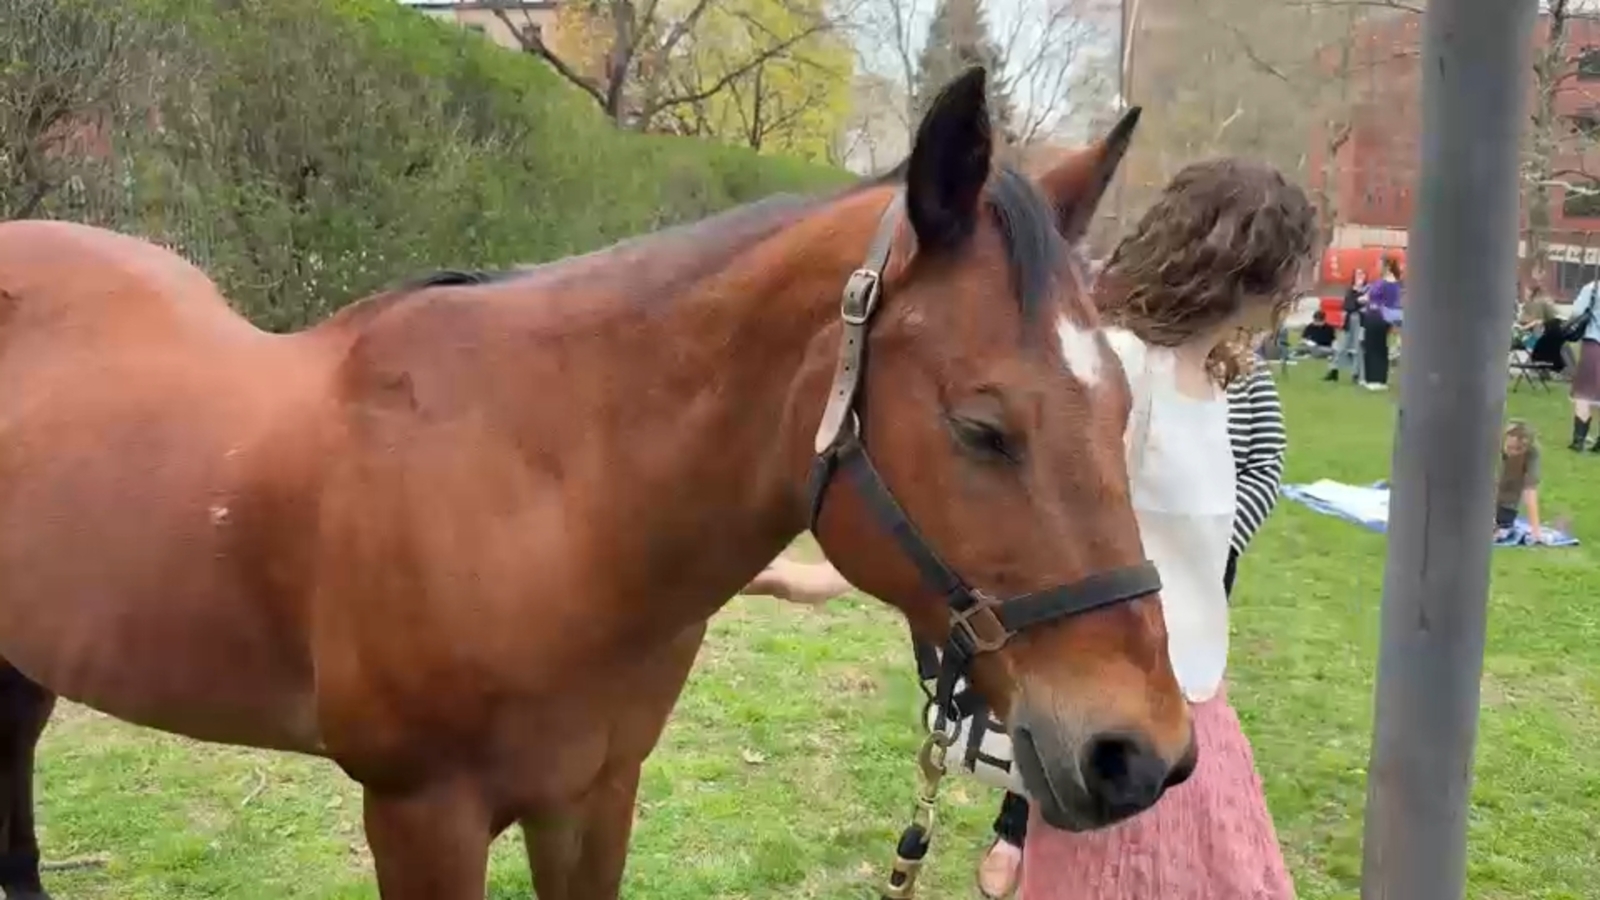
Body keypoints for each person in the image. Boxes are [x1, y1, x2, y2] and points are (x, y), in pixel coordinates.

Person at [1495, 420, 1543, 543]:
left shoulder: (1532, 453)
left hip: (1507, 500)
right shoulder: (1491, 445)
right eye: (1510, 448)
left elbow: (1530, 489)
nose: (1513, 452)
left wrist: (1535, 530)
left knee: (1503, 524)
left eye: (1518, 449)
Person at [1360, 255, 1403, 390]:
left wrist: (1369, 301)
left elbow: (1391, 302)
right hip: (1372, 316)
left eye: (1379, 264)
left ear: (1387, 266)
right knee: (1369, 346)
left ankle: (1379, 379)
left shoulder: (1390, 283)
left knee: (1377, 347)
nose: (1377, 267)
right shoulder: (1380, 281)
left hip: (1380, 317)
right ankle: (1370, 378)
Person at [1567, 278, 1600, 451]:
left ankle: (1579, 440)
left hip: (1594, 344)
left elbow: (1577, 312)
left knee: (1584, 394)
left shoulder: (1593, 288)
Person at [1326, 269, 1367, 382]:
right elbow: (1348, 306)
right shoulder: (1350, 291)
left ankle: (1355, 373)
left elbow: (1366, 306)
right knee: (1341, 347)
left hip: (1361, 322)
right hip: (1349, 321)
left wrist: (1359, 302)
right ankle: (1334, 370)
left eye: (1362, 274)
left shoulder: (1367, 290)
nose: (1360, 277)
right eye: (1358, 274)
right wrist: (1358, 302)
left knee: (1358, 348)